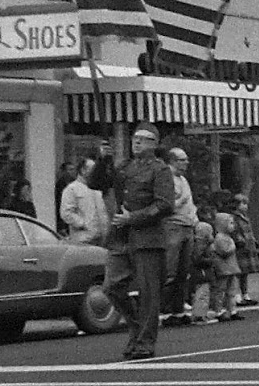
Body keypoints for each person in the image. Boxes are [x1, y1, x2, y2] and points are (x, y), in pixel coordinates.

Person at [104, 123, 176, 360]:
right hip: (121, 236)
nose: (137, 142)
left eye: (143, 139)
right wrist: (103, 159)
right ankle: (136, 326)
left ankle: (145, 341)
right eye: (135, 138)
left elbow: (164, 204)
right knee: (112, 287)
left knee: (148, 293)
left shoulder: (160, 170)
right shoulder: (124, 166)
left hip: (147, 238)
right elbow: (98, 183)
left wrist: (133, 218)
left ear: (154, 145)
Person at [160, 147, 198, 327]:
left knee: (184, 272)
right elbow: (165, 205)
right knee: (170, 271)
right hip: (173, 226)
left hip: (187, 225)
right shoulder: (167, 179)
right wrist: (180, 202)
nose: (186, 163)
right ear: (173, 161)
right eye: (183, 160)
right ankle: (163, 310)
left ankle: (178, 310)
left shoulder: (184, 180)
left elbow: (190, 203)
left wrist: (194, 219)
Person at [58, 156, 109, 246]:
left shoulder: (96, 189)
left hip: (100, 239)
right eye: (93, 169)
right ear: (83, 170)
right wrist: (83, 223)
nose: (95, 172)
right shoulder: (71, 189)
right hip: (82, 240)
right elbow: (66, 213)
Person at [210, 210, 243, 320]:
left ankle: (232, 309)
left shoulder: (228, 237)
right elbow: (224, 251)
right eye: (230, 223)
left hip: (231, 268)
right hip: (224, 269)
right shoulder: (220, 238)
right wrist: (233, 246)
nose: (233, 226)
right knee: (221, 290)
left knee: (232, 290)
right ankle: (219, 310)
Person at [232, 191, 259, 305]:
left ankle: (245, 294)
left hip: (248, 247)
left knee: (245, 273)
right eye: (242, 204)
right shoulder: (235, 218)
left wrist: (253, 239)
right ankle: (237, 295)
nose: (245, 206)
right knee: (239, 272)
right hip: (240, 248)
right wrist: (240, 240)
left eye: (246, 204)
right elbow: (235, 231)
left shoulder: (245, 218)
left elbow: (249, 230)